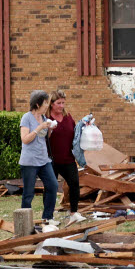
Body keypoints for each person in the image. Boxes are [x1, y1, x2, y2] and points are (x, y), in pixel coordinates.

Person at [20, 90, 59, 229]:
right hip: (29, 161)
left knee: (53, 185)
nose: (47, 105)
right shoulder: (26, 118)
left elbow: (43, 137)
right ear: (37, 104)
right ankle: (24, 221)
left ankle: (48, 217)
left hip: (43, 159)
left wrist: (49, 129)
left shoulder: (43, 117)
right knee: (28, 193)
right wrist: (39, 128)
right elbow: (25, 139)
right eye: (45, 102)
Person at [48, 90, 85, 225]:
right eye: (59, 103)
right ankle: (49, 216)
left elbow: (75, 135)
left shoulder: (68, 117)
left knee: (74, 184)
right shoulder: (46, 119)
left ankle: (74, 213)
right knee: (51, 187)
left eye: (63, 103)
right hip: (51, 159)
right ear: (51, 104)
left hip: (68, 158)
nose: (61, 106)